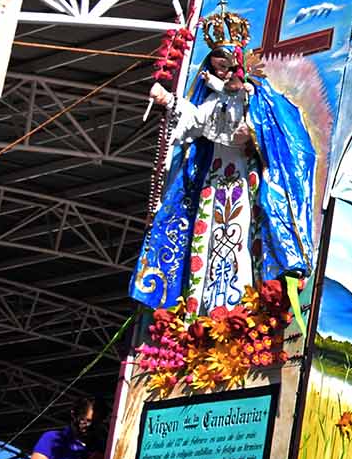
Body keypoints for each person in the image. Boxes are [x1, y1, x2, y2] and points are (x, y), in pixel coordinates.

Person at [134, 41, 315, 312]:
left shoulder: (252, 95)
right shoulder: (212, 100)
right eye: (216, 63)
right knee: (206, 235)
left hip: (243, 179)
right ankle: (203, 304)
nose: (221, 70)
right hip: (213, 179)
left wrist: (250, 126)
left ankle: (239, 301)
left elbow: (262, 125)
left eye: (225, 63)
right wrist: (168, 101)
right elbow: (194, 122)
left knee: (241, 237)